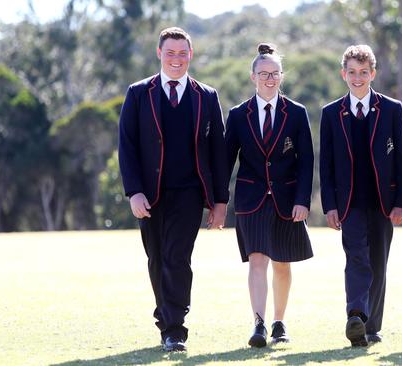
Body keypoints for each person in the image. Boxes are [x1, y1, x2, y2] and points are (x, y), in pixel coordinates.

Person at [118, 27, 228, 352]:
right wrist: (133, 192)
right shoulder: (138, 93)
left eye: (182, 53)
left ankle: (175, 327)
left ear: (190, 55)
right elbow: (127, 146)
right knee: (156, 258)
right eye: (170, 53)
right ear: (159, 54)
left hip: (190, 193)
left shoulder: (206, 96)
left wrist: (220, 201)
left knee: (177, 257)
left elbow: (218, 152)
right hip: (149, 195)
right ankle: (165, 321)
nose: (176, 59)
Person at [320, 45, 402, 347]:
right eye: (351, 72)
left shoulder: (392, 109)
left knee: (378, 262)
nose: (357, 78)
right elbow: (327, 164)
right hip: (349, 203)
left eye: (363, 72)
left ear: (372, 73)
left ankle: (372, 326)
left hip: (384, 202)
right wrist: (329, 206)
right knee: (356, 257)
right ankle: (356, 316)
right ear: (343, 73)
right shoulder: (331, 113)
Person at [225, 43, 314, 348]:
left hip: (287, 201)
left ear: (281, 76)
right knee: (257, 261)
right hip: (251, 200)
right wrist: (218, 201)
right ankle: (259, 324)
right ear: (253, 77)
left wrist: (303, 200)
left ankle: (279, 322)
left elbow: (307, 161)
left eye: (275, 73)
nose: (270, 78)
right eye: (264, 73)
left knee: (282, 263)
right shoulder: (238, 115)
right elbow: (226, 161)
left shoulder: (297, 113)